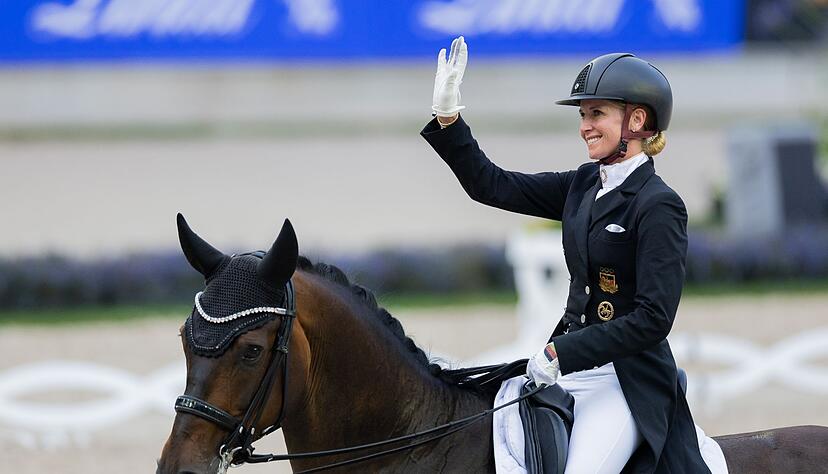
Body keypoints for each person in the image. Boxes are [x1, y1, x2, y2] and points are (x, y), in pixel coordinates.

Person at [421, 37, 711, 473]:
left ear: (636, 120)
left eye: (596, 113)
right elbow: (492, 185)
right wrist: (449, 118)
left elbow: (653, 318)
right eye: (582, 114)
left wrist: (561, 353)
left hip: (625, 381)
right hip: (570, 370)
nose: (584, 126)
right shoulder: (582, 185)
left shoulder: (658, 205)